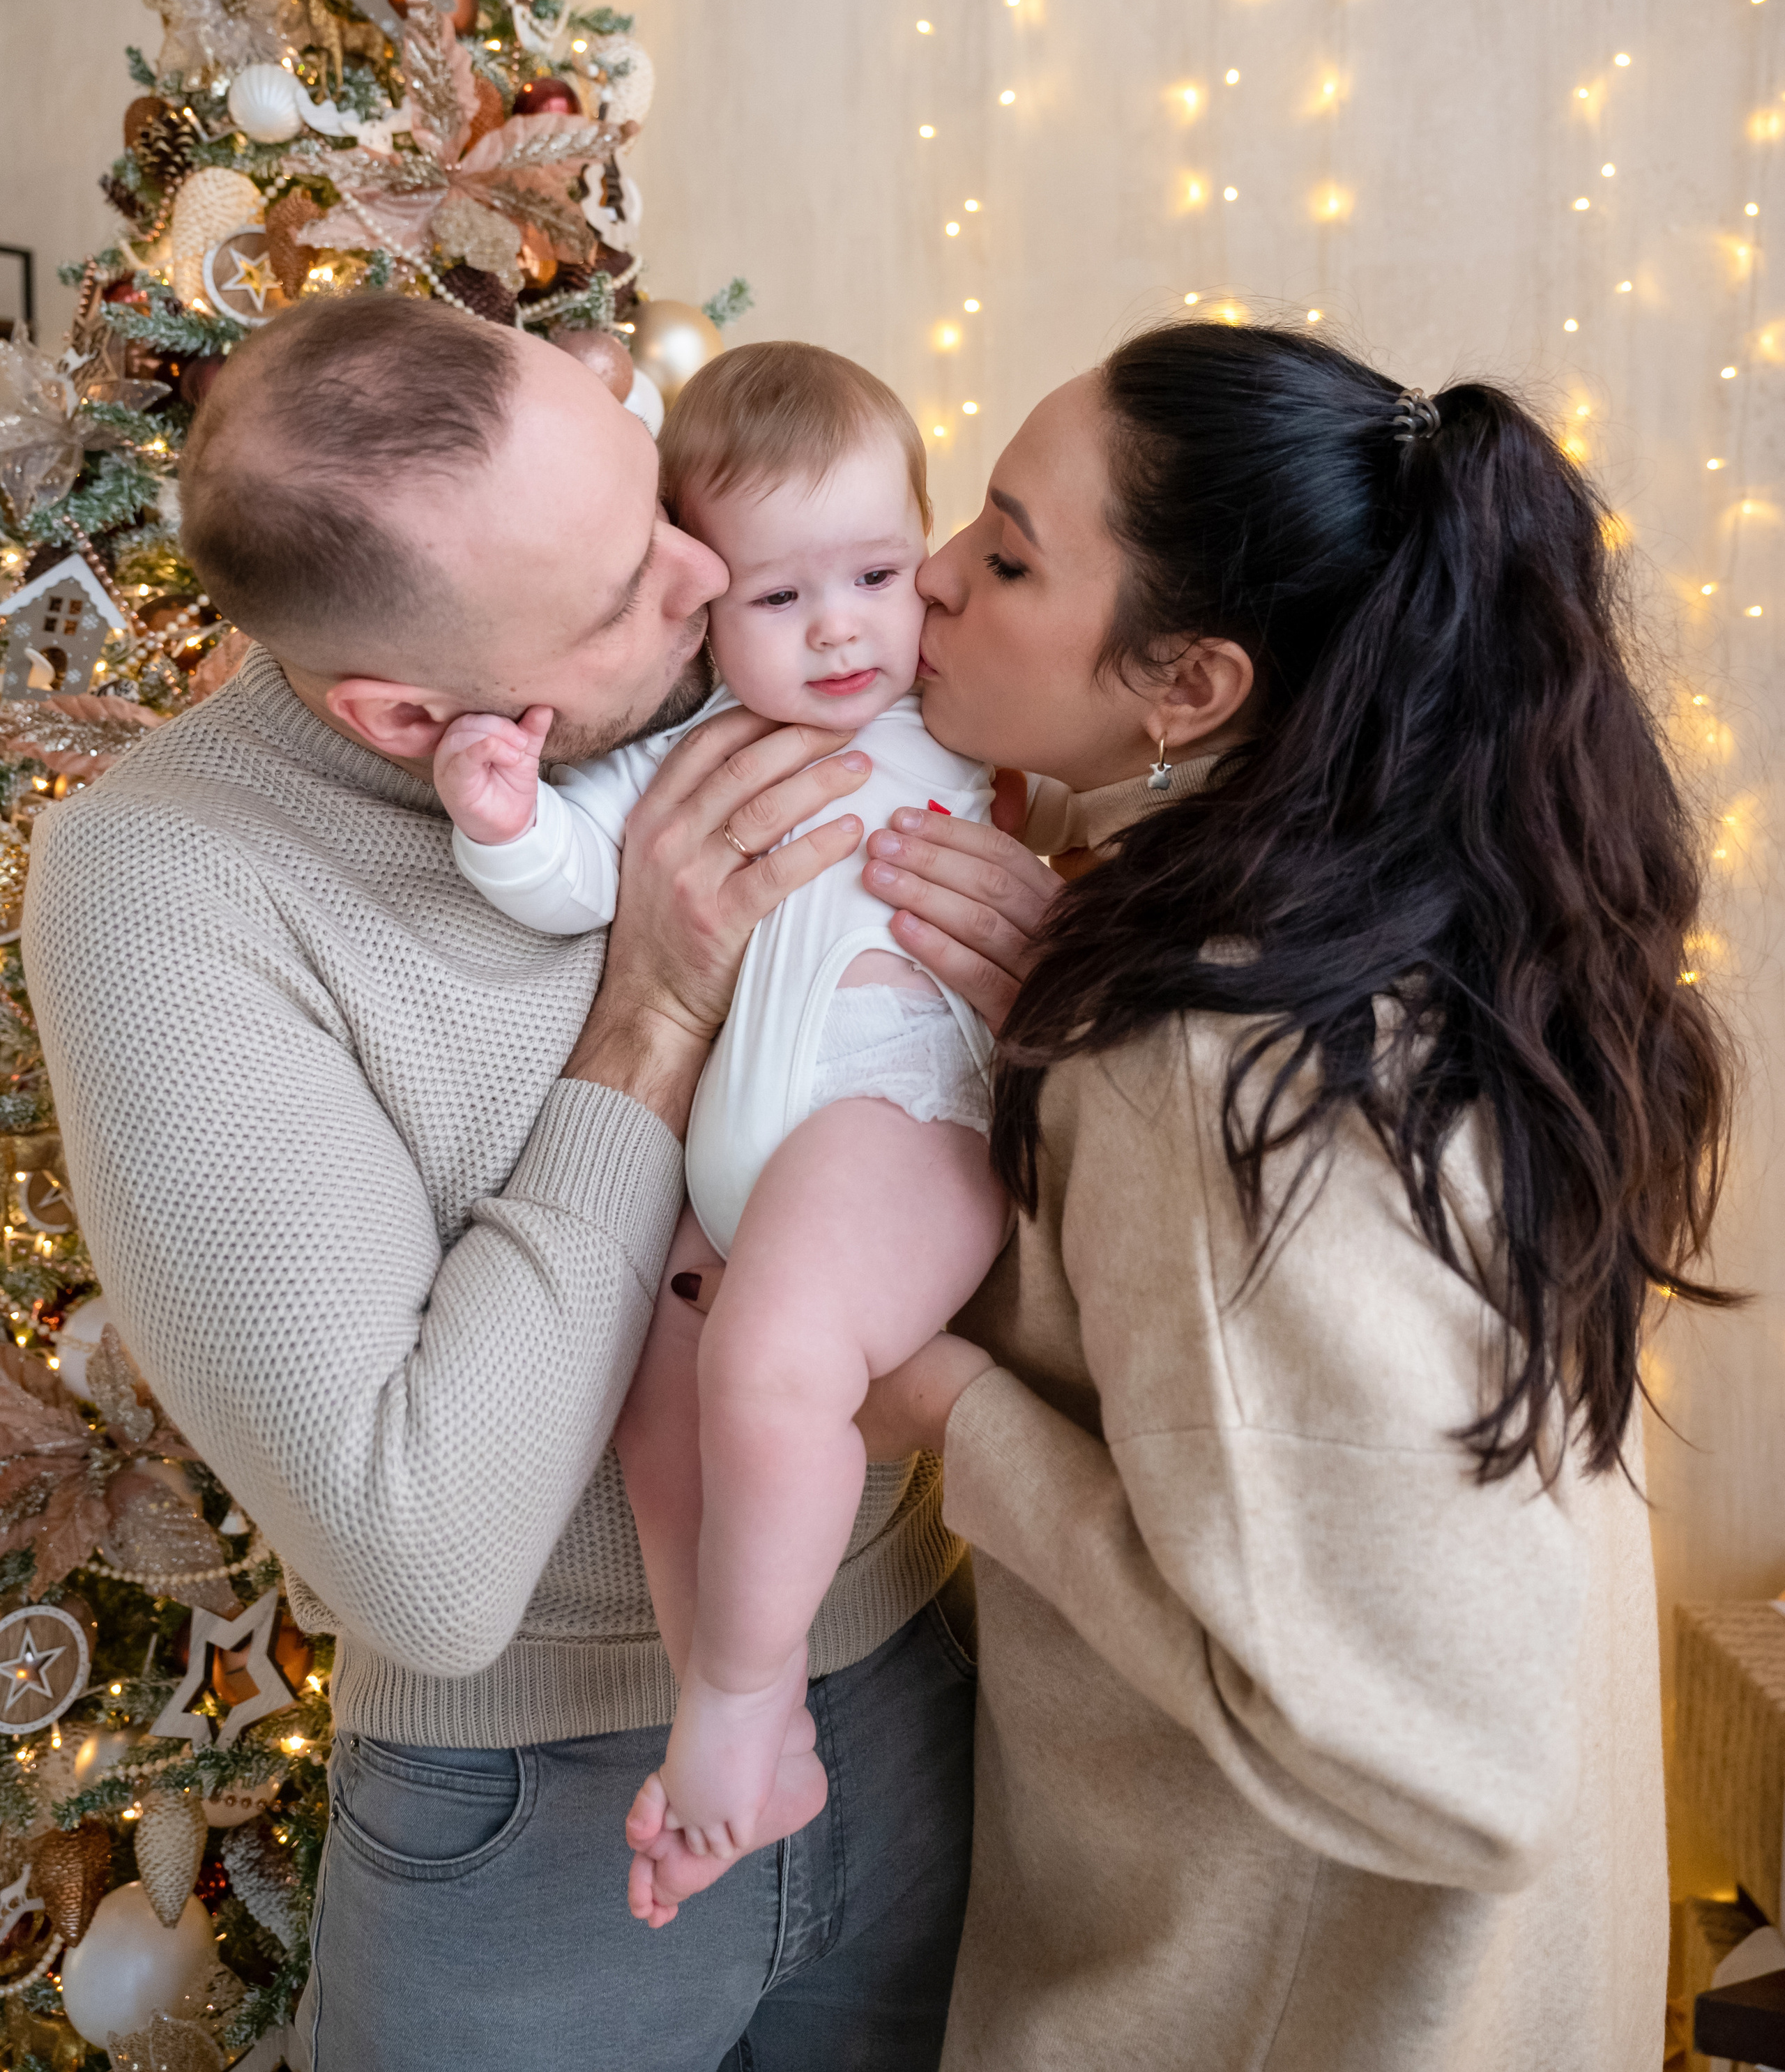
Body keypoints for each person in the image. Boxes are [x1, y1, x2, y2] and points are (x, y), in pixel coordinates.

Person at [22, 293, 980, 2072]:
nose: (710, 576)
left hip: (924, 1692)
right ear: (408, 714)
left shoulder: (745, 629)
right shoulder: (165, 886)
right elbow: (426, 1564)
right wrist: (653, 1011)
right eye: (628, 591)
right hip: (536, 1818)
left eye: (652, 495)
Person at [856, 322, 1730, 2071]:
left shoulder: (1211, 1054)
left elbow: (1451, 1758)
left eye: (1009, 555)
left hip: (1283, 2003)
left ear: (1188, 687)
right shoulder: (1421, 913)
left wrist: (945, 1402)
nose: (931, 576)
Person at [432, 342, 1007, 1916]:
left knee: (769, 1369)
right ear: (699, 600)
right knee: (652, 1412)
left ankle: (749, 1704)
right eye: (777, 598)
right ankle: (741, 1710)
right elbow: (573, 875)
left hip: (897, 1123)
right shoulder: (673, 754)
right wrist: (503, 816)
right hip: (730, 1157)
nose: (838, 629)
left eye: (876, 574)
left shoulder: (954, 725)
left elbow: (1084, 836)